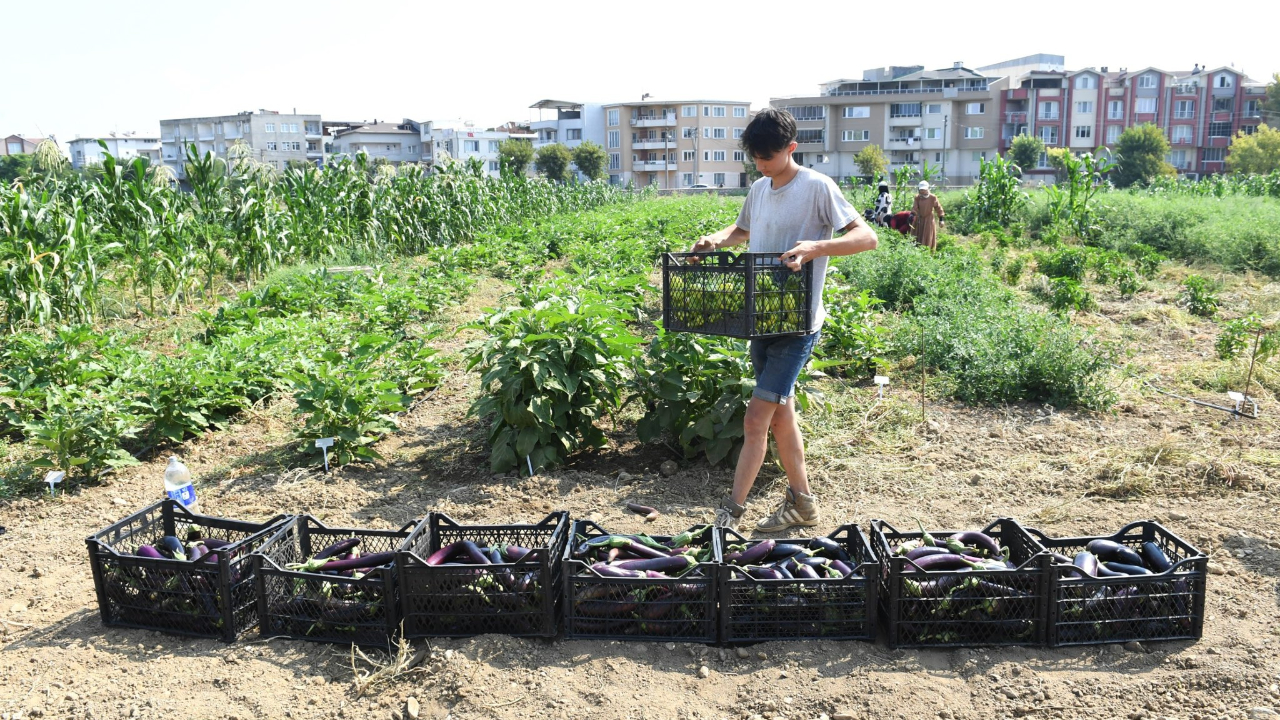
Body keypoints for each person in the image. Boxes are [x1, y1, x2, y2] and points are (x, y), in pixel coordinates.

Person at [688, 108, 879, 532]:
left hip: (798, 324)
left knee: (756, 419)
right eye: (755, 157)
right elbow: (741, 231)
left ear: (791, 149)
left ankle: (729, 514)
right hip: (762, 319)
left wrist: (816, 247)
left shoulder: (817, 187)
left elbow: (867, 237)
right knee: (781, 415)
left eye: (767, 157)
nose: (760, 164)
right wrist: (715, 239)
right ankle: (803, 504)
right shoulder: (758, 188)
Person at [910, 180, 945, 252]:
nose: (922, 191)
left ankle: (927, 253)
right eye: (921, 190)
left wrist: (941, 219)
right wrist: (912, 214)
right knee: (917, 236)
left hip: (928, 220)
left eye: (924, 190)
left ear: (927, 189)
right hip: (919, 219)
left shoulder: (932, 197)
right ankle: (916, 252)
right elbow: (915, 207)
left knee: (927, 236)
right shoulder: (917, 197)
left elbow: (938, 208)